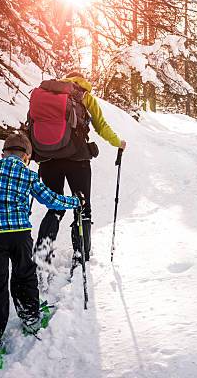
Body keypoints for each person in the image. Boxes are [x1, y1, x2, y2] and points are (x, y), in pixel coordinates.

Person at [0, 133, 81, 364]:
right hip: (20, 235)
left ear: (3, 153)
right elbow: (51, 200)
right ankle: (31, 318)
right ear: (27, 157)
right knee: (24, 276)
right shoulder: (28, 174)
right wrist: (75, 201)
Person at [34, 71, 126, 279]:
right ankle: (81, 253)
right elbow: (101, 126)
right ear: (80, 81)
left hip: (48, 159)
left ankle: (43, 251)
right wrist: (118, 142)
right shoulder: (84, 96)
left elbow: (32, 124)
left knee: (55, 206)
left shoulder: (46, 93)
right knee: (82, 206)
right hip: (77, 158)